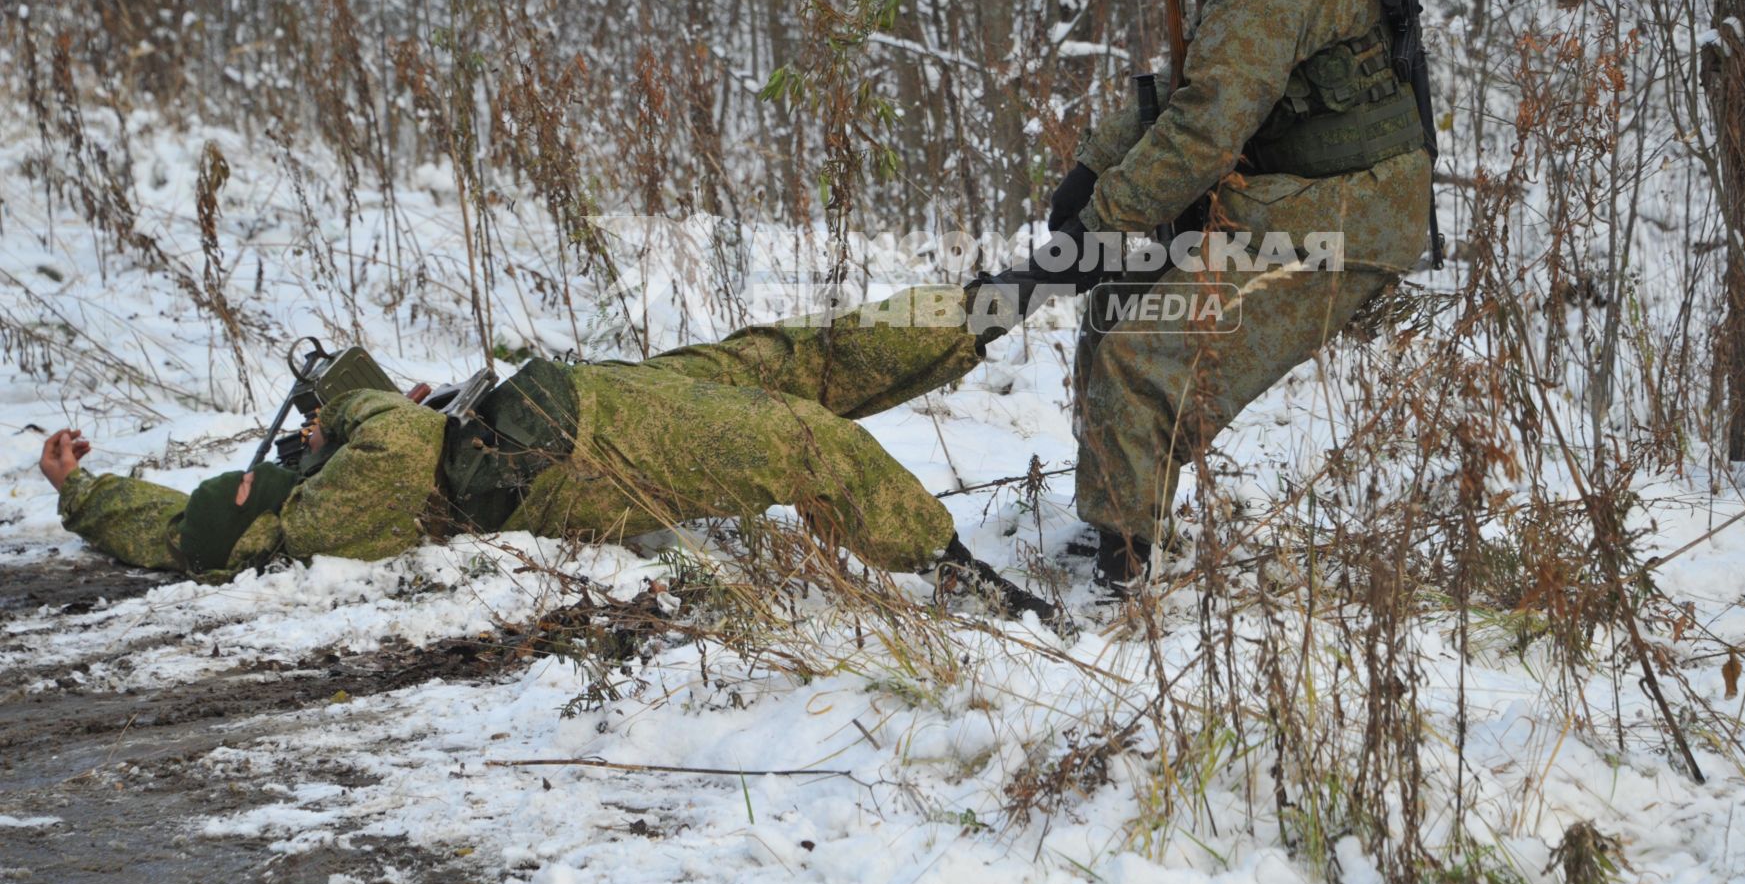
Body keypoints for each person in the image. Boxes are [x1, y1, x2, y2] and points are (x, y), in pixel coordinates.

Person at [36, 284, 1064, 628]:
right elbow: (393, 445)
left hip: (575, 396)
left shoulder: (304, 476)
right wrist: (345, 412)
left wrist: (78, 487)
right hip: (582, 455)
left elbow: (163, 526)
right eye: (253, 482)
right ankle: (956, 578)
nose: (266, 465)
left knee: (785, 358)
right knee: (809, 442)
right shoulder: (319, 512)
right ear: (257, 523)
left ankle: (998, 300)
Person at [1039, 0, 1434, 586]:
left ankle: (1121, 585)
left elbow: (1203, 132)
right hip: (1291, 202)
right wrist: (1091, 172)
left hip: (1344, 222)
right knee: (1114, 303)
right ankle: (1119, 522)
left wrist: (1103, 219)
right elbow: (1197, 90)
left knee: (1143, 357)